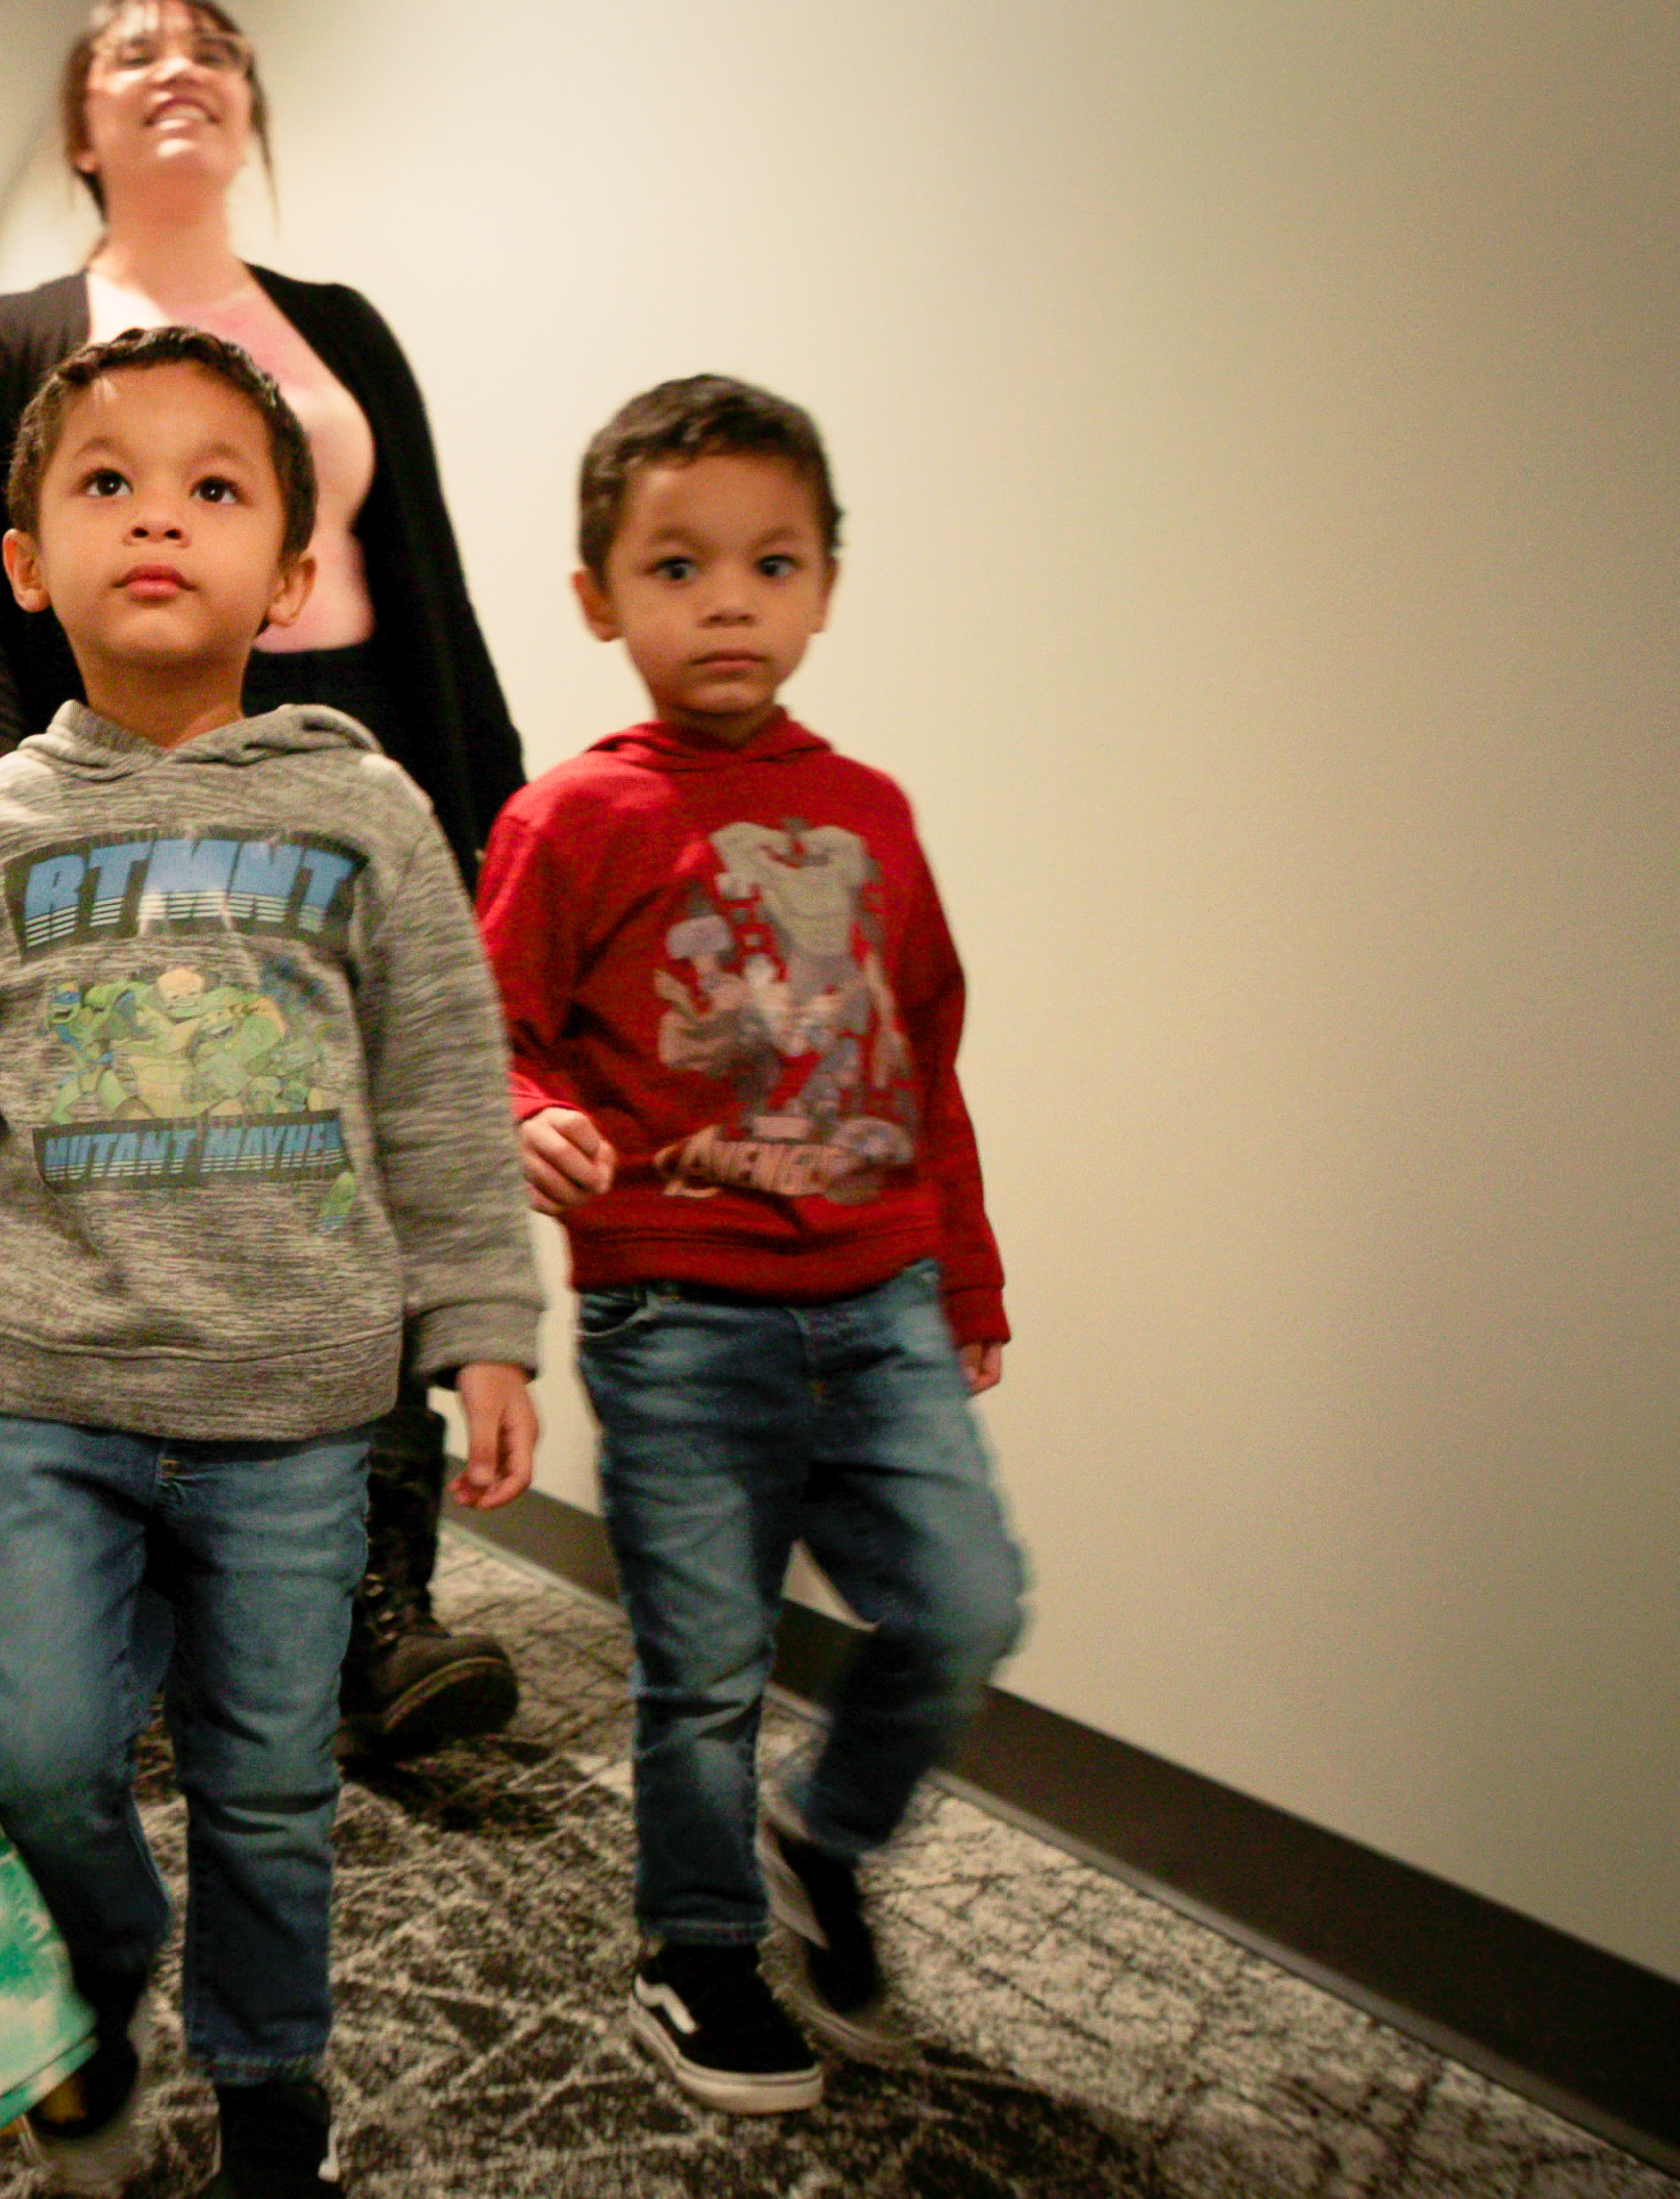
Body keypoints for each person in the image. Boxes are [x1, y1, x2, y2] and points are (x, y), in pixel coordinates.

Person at [0, 327, 539, 2199]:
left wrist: (485, 1327)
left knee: (272, 1783)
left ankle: (275, 2082)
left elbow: (448, 1084)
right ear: (28, 559)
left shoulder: (364, 814)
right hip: (50, 1400)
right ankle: (93, 1985)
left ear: (288, 575)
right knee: (37, 1758)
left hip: (297, 1407)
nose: (159, 519)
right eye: (107, 483)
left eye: (216, 488)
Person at [0, 0, 528, 1761]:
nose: (175, 62)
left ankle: (376, 1598)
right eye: (129, 47)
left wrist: (503, 843)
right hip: (115, 772)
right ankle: (150, 1562)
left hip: (351, 757)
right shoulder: (15, 342)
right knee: (185, 1143)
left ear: (249, 109)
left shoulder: (339, 335)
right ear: (77, 128)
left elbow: (434, 592)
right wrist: (14, 825)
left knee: (362, 1158)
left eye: (211, 43)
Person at [475, 376, 1029, 2113]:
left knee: (963, 1606)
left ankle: (824, 1836)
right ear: (598, 599)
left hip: (881, 1300)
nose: (728, 599)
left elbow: (923, 1047)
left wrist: (971, 1275)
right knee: (701, 1664)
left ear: (826, 587)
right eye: (678, 565)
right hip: (679, 1312)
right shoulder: (572, 814)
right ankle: (698, 1946)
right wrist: (519, 1109)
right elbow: (482, 1027)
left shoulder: (872, 808)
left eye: (772, 563)